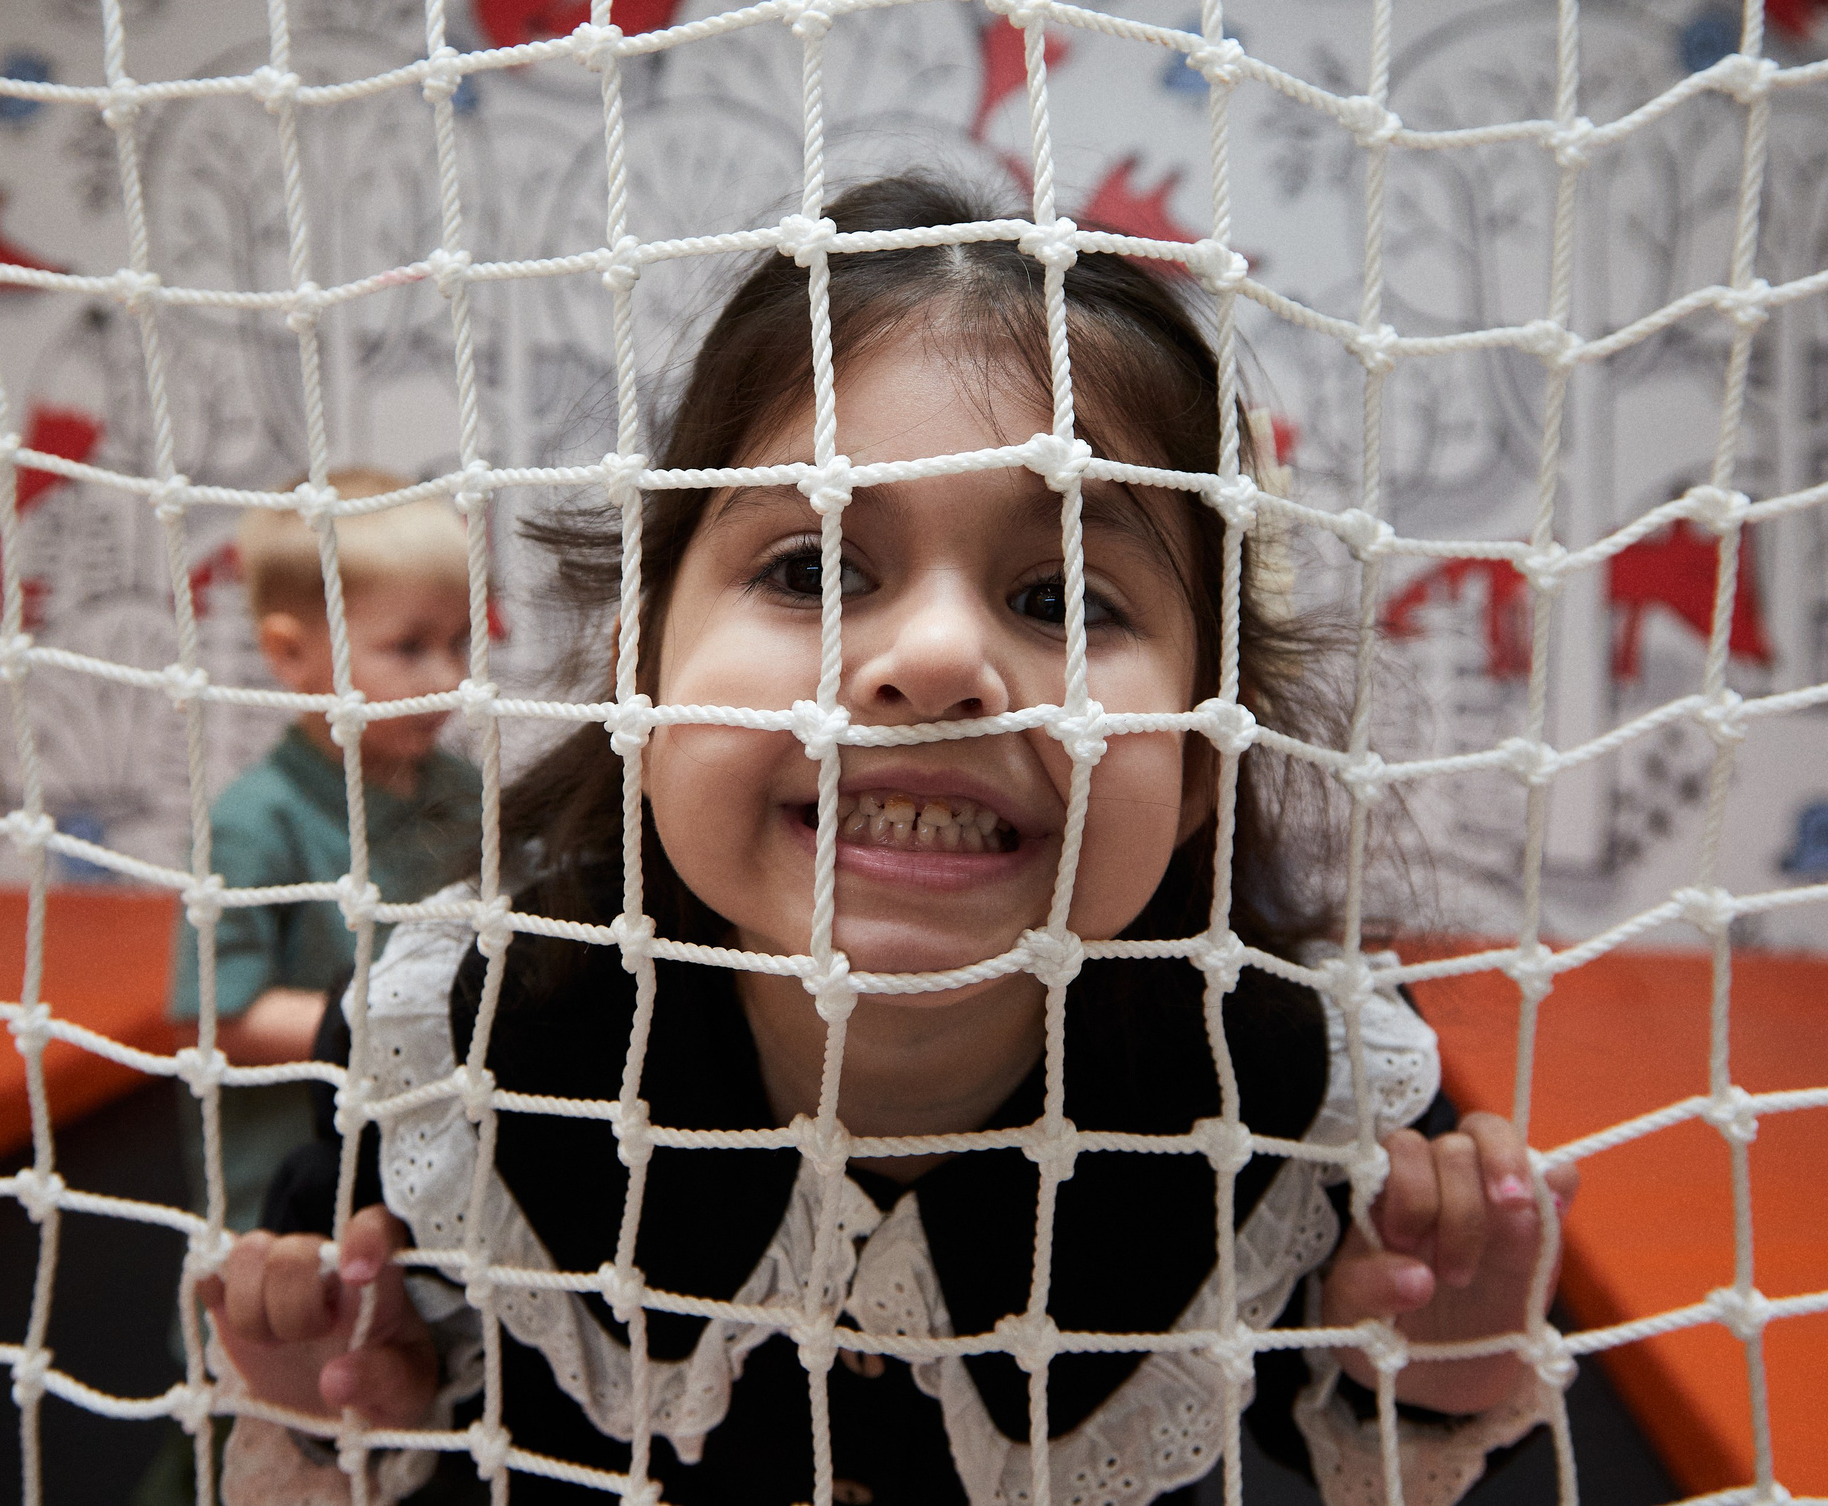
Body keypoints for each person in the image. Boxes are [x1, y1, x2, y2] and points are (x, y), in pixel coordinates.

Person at [200, 176, 1576, 1506]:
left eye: (1063, 596)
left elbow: (1371, 1420)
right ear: (638, 685)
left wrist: (1442, 1364)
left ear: (1208, 754)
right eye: (810, 569)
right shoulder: (467, 1031)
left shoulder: (1296, 1080)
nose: (932, 658)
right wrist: (342, 1407)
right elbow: (363, 1387)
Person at [168, 466, 483, 1234]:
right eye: (408, 647)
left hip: (433, 1181)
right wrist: (394, 1021)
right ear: (290, 653)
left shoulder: (461, 790)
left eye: (459, 641)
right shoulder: (255, 819)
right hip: (295, 1200)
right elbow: (217, 1018)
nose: (447, 679)